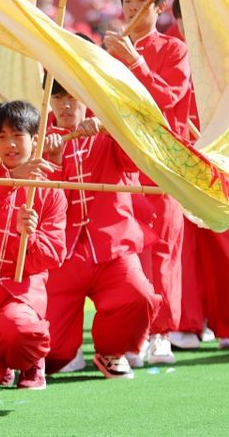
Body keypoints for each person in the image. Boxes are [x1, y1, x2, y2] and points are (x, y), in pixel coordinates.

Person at [41, 77, 159, 378]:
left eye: (74, 95)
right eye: (58, 97)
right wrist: (52, 161)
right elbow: (38, 202)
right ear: (48, 102)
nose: (66, 105)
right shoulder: (39, 142)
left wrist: (110, 128)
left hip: (113, 249)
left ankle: (110, 350)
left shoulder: (109, 131)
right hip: (61, 257)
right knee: (56, 358)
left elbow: (139, 159)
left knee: (140, 296)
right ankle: (68, 348)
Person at [103, 0, 191, 366]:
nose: (134, 7)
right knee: (129, 248)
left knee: (164, 247)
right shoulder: (108, 54)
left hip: (162, 161)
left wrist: (135, 61)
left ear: (159, 7)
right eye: (128, 1)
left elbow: (169, 98)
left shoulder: (174, 49)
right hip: (121, 162)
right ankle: (135, 332)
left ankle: (162, 332)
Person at [0, 100, 66, 391]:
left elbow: (55, 253)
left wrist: (27, 237)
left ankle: (32, 362)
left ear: (35, 139)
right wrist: (12, 180)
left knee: (18, 330)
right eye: (1, 137)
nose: (9, 144)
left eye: (17, 135)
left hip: (21, 292)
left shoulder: (51, 191)